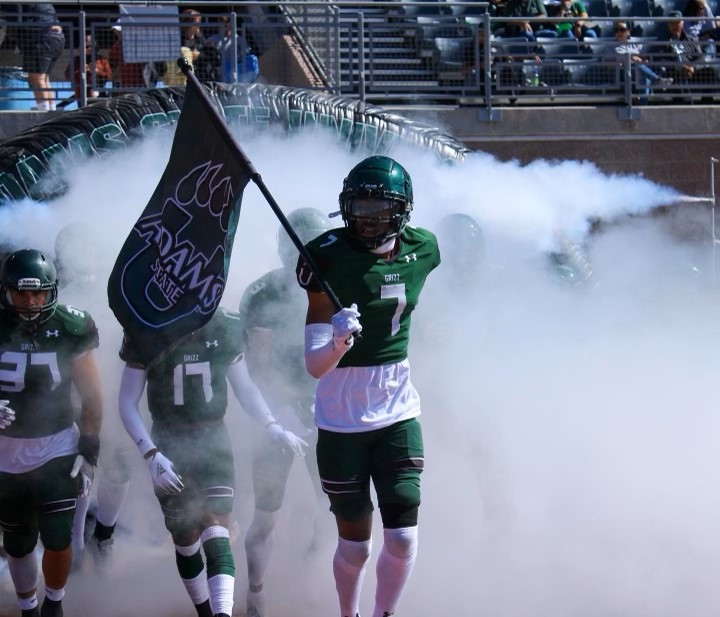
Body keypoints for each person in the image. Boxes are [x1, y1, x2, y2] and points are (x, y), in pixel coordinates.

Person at [297, 155, 440, 617]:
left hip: (397, 410)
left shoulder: (424, 248)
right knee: (355, 548)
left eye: (379, 211)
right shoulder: (326, 257)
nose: (365, 219)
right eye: (358, 207)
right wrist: (338, 341)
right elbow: (315, 366)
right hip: (341, 420)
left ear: (401, 212)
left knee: (402, 536)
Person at [118, 307, 308, 617]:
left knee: (215, 525)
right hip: (168, 443)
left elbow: (244, 387)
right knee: (185, 537)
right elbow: (127, 401)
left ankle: (222, 613)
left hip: (213, 438)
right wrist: (150, 453)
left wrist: (272, 425)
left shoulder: (224, 325)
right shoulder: (146, 326)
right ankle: (205, 610)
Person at [237, 207, 330, 617]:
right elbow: (255, 367)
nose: (304, 257)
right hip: (281, 415)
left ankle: (315, 572)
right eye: (298, 248)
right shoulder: (262, 295)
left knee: (335, 512)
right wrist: (283, 408)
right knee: (265, 516)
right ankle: (256, 594)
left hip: (327, 416)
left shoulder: (340, 287)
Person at [0, 248, 102, 617]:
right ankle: (28, 607)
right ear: (6, 291)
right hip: (6, 453)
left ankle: (54, 606)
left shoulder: (72, 326)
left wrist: (89, 451)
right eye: (22, 293)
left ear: (52, 291)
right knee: (18, 542)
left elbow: (91, 396)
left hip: (57, 446)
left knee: (58, 537)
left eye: (38, 292)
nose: (30, 301)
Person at [54, 224, 129, 575]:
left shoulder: (114, 291)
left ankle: (98, 538)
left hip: (110, 391)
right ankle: (90, 541)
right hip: (76, 396)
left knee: (111, 468)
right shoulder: (60, 299)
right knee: (85, 469)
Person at [601, 21, 673, 101]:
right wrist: (625, 61)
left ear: (628, 31)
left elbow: (645, 60)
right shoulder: (610, 46)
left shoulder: (636, 43)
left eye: (622, 30)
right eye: (616, 30)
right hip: (622, 73)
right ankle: (657, 80)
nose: (619, 32)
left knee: (642, 76)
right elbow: (608, 66)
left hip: (639, 72)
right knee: (638, 69)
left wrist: (638, 59)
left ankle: (643, 106)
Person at [647, 11, 717, 93]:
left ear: (682, 23)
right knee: (677, 74)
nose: (675, 26)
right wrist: (681, 67)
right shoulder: (662, 41)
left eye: (677, 23)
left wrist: (693, 67)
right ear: (668, 25)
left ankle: (706, 101)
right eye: (672, 23)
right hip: (675, 71)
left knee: (710, 71)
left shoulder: (691, 40)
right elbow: (660, 59)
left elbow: (700, 56)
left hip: (692, 69)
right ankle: (683, 102)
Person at [15, 3, 65, 111]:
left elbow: (20, 19)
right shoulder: (46, 5)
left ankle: (43, 111)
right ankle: (51, 110)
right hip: (56, 37)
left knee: (37, 78)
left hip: (42, 37)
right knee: (44, 78)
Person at [65, 34, 112, 103]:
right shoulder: (76, 60)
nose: (89, 49)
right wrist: (81, 71)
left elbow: (109, 76)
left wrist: (97, 71)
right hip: (82, 94)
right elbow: (68, 75)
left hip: (99, 93)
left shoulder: (102, 60)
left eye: (91, 47)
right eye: (87, 47)